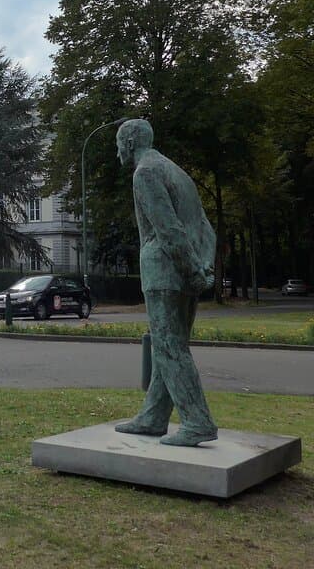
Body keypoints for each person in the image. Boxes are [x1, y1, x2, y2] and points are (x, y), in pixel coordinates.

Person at [114, 119, 218, 447]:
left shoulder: (145, 173)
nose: (117, 151)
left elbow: (168, 228)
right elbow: (205, 226)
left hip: (165, 270)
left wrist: (191, 270)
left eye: (118, 144)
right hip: (186, 269)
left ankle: (198, 421)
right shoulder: (178, 173)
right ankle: (153, 417)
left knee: (170, 348)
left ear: (130, 142)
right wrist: (204, 265)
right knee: (168, 347)